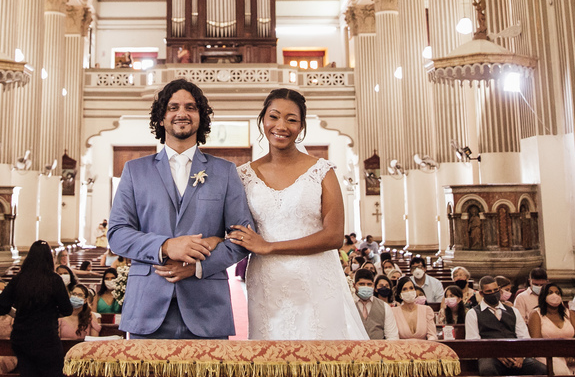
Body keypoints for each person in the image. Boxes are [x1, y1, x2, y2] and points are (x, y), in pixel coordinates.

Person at [107, 78, 254, 339]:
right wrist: (165, 246)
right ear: (161, 118)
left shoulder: (224, 172)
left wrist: (197, 267)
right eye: (173, 107)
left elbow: (242, 238)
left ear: (201, 117)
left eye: (190, 107)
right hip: (147, 307)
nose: (182, 113)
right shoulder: (135, 171)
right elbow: (117, 234)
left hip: (207, 307)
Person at [228, 88, 369, 340]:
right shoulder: (243, 175)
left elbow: (334, 236)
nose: (281, 126)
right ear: (263, 119)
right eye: (274, 117)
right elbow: (233, 227)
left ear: (301, 126)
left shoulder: (322, 171)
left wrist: (269, 246)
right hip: (267, 281)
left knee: (320, 353)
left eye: (291, 119)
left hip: (315, 278)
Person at [0, 241, 73, 377]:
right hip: (47, 339)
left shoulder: (19, 279)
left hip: (22, 339)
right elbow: (67, 310)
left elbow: (1, 304)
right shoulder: (54, 280)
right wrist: (51, 314)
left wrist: (17, 313)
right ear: (49, 258)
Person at [466, 275, 548, 377]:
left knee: (543, 371)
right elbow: (474, 342)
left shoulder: (513, 311)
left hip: (516, 354)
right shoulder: (473, 313)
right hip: (490, 356)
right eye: (489, 291)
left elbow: (524, 338)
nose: (493, 294)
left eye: (495, 290)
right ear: (481, 293)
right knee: (487, 370)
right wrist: (497, 354)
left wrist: (521, 356)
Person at [352, 269, 398, 339]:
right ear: (354, 285)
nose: (366, 287)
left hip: (379, 345)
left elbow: (392, 336)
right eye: (361, 284)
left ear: (373, 285)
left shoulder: (384, 307)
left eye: (369, 284)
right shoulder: (348, 306)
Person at [393, 275, 437, 340]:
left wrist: (430, 341)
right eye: (404, 289)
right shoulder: (393, 312)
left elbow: (432, 335)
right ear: (400, 295)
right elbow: (393, 336)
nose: (409, 291)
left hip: (424, 345)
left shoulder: (427, 310)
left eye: (411, 288)